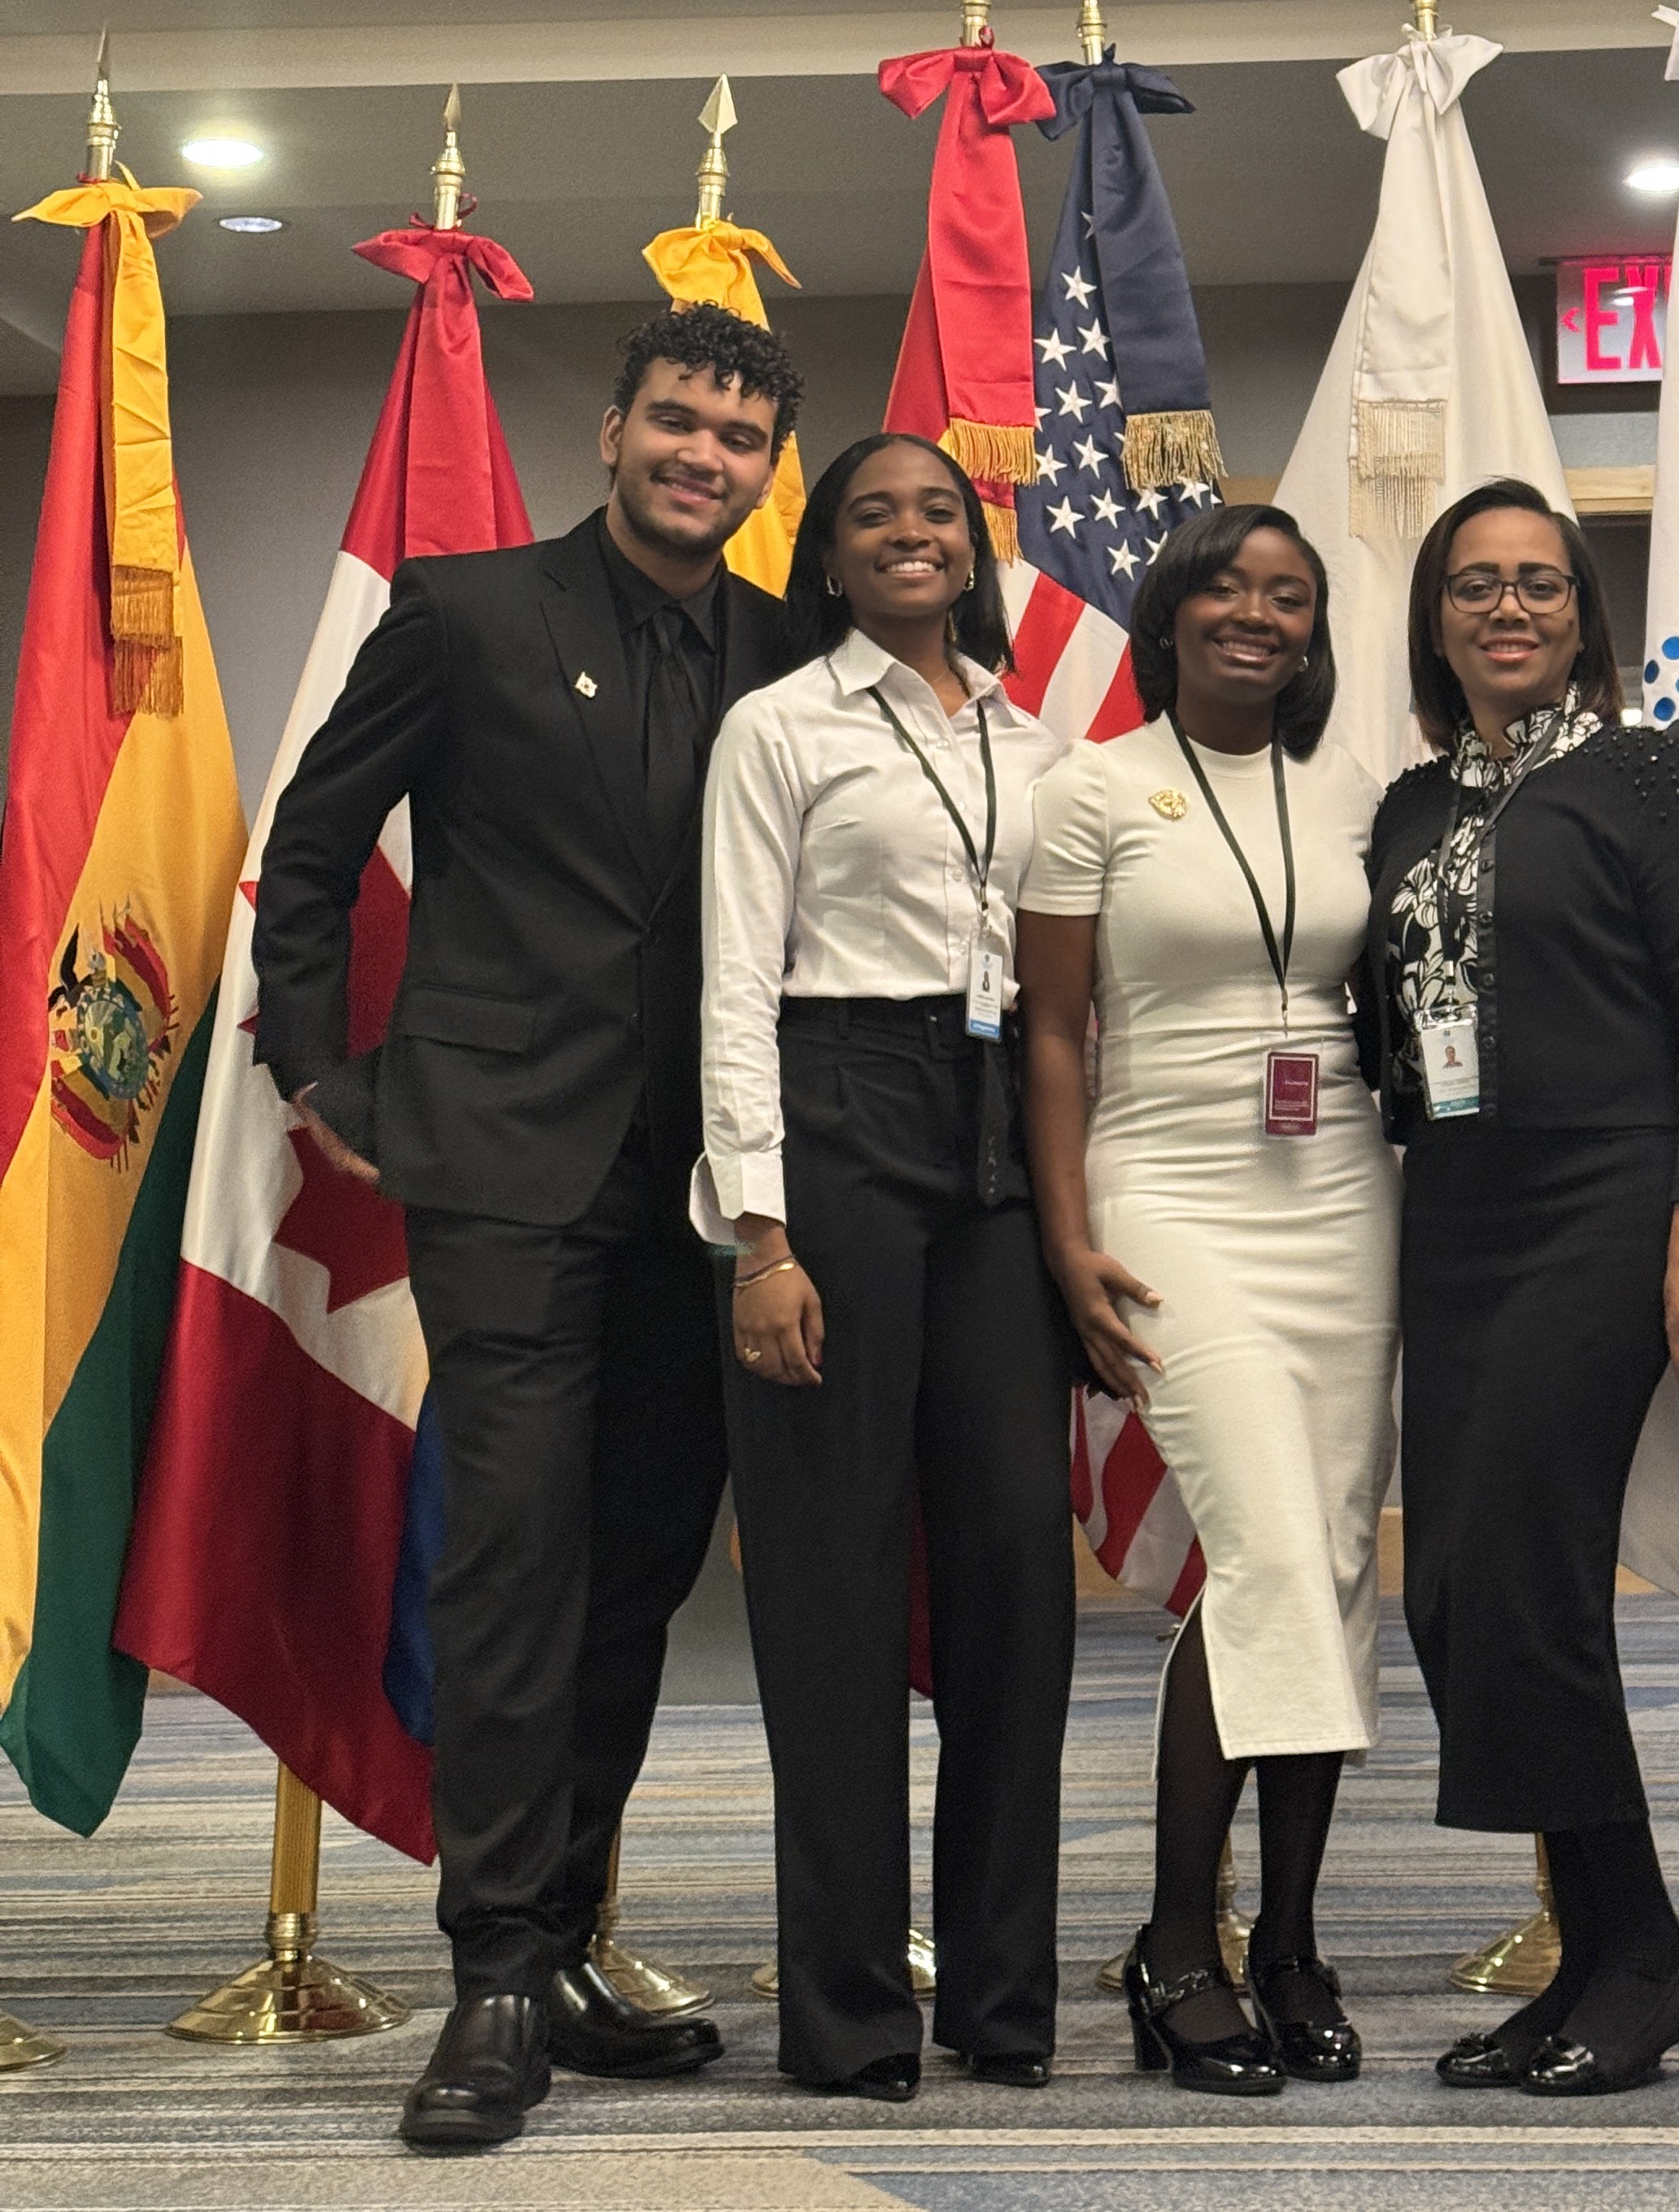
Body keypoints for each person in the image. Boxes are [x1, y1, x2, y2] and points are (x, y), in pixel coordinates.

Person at [252, 304, 803, 2149]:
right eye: (677, 420)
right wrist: (321, 1071)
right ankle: (489, 1968)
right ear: (614, 431)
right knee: (511, 1560)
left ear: (765, 468)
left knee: (641, 1565)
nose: (702, 455)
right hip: (504, 1165)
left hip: (703, 1187)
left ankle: (563, 1937)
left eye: (737, 435)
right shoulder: (468, 610)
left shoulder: (786, 651)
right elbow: (314, 846)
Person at [1364, 480, 1679, 2100]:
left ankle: (1644, 1950)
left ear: (1584, 616)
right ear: (1437, 618)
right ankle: (1601, 1954)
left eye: (1540, 583)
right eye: (1476, 585)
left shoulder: (1645, 775)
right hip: (1454, 1215)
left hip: (1604, 1208)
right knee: (1460, 1592)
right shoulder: (1408, 805)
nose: (1509, 607)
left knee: (1528, 1577)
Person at [701, 432, 1077, 2103]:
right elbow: (734, 985)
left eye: (939, 510)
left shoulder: (1031, 735)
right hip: (833, 1113)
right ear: (831, 556)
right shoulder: (778, 727)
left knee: (1017, 1566)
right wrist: (761, 1231)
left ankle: (1003, 1996)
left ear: (971, 546)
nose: (912, 532)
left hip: (996, 1130)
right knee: (833, 1582)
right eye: (875, 514)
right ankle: (850, 2010)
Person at [1016, 505, 1398, 2096]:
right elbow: (1051, 1032)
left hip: (1343, 1195)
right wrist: (1067, 1237)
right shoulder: (1094, 787)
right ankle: (1180, 1941)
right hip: (1170, 1191)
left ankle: (1289, 1941)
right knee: (1265, 1555)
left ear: (1314, 630)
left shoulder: (1355, 786)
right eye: (1229, 587)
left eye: (1289, 594)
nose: (1258, 612)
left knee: (1334, 1564)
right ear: (1170, 613)